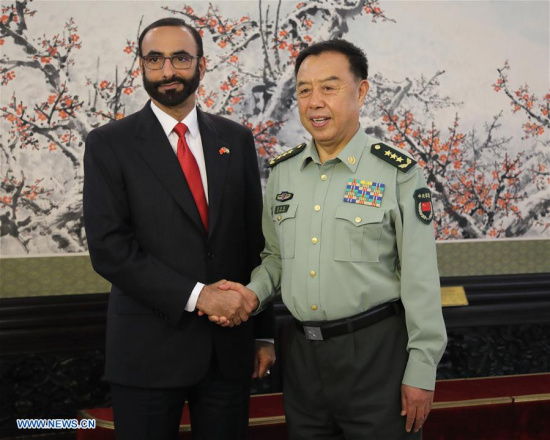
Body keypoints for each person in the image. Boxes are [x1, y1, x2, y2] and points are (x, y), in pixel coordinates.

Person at [215, 39, 447, 439]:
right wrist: (251, 296)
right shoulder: (284, 173)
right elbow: (275, 258)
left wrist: (422, 369)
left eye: (329, 87)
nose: (315, 101)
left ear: (361, 91)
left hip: (376, 354)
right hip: (304, 357)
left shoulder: (398, 173)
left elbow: (421, 278)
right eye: (304, 90)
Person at [83, 17, 275, 440]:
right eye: (155, 59)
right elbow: (109, 249)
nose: (168, 70)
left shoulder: (236, 139)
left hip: (229, 352)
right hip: (147, 353)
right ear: (142, 68)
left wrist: (264, 334)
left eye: (180, 58)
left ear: (201, 66)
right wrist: (199, 296)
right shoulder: (108, 144)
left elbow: (253, 242)